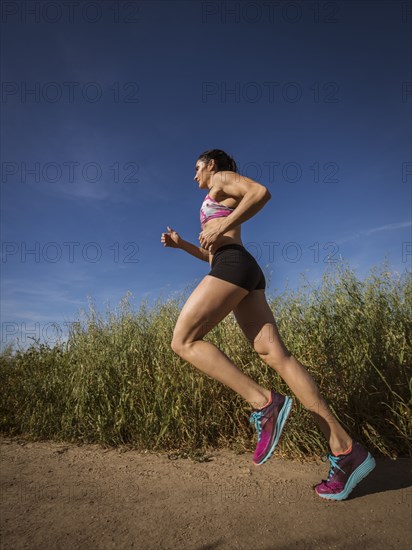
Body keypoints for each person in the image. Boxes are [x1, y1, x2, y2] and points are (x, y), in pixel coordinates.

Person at [160, 148, 376, 501]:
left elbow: (260, 193)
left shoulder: (219, 179)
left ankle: (264, 402)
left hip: (234, 265)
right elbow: (213, 249)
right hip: (238, 268)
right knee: (277, 356)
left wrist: (221, 224)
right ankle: (345, 448)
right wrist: (183, 244)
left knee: (183, 341)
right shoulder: (217, 195)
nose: (195, 175)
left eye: (196, 167)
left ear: (211, 164)